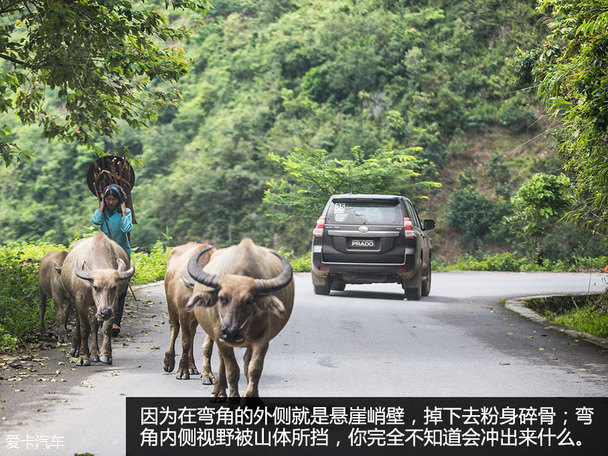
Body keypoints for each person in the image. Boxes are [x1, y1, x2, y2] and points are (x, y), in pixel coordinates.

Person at [91, 184, 133, 336]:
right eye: (107, 199)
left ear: (119, 200)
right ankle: (102, 315)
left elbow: (126, 229)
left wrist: (122, 213)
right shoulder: (103, 213)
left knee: (119, 289)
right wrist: (101, 209)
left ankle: (115, 321)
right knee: (103, 287)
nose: (110, 202)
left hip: (121, 253)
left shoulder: (126, 212)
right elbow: (94, 221)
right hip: (105, 254)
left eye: (113, 199)